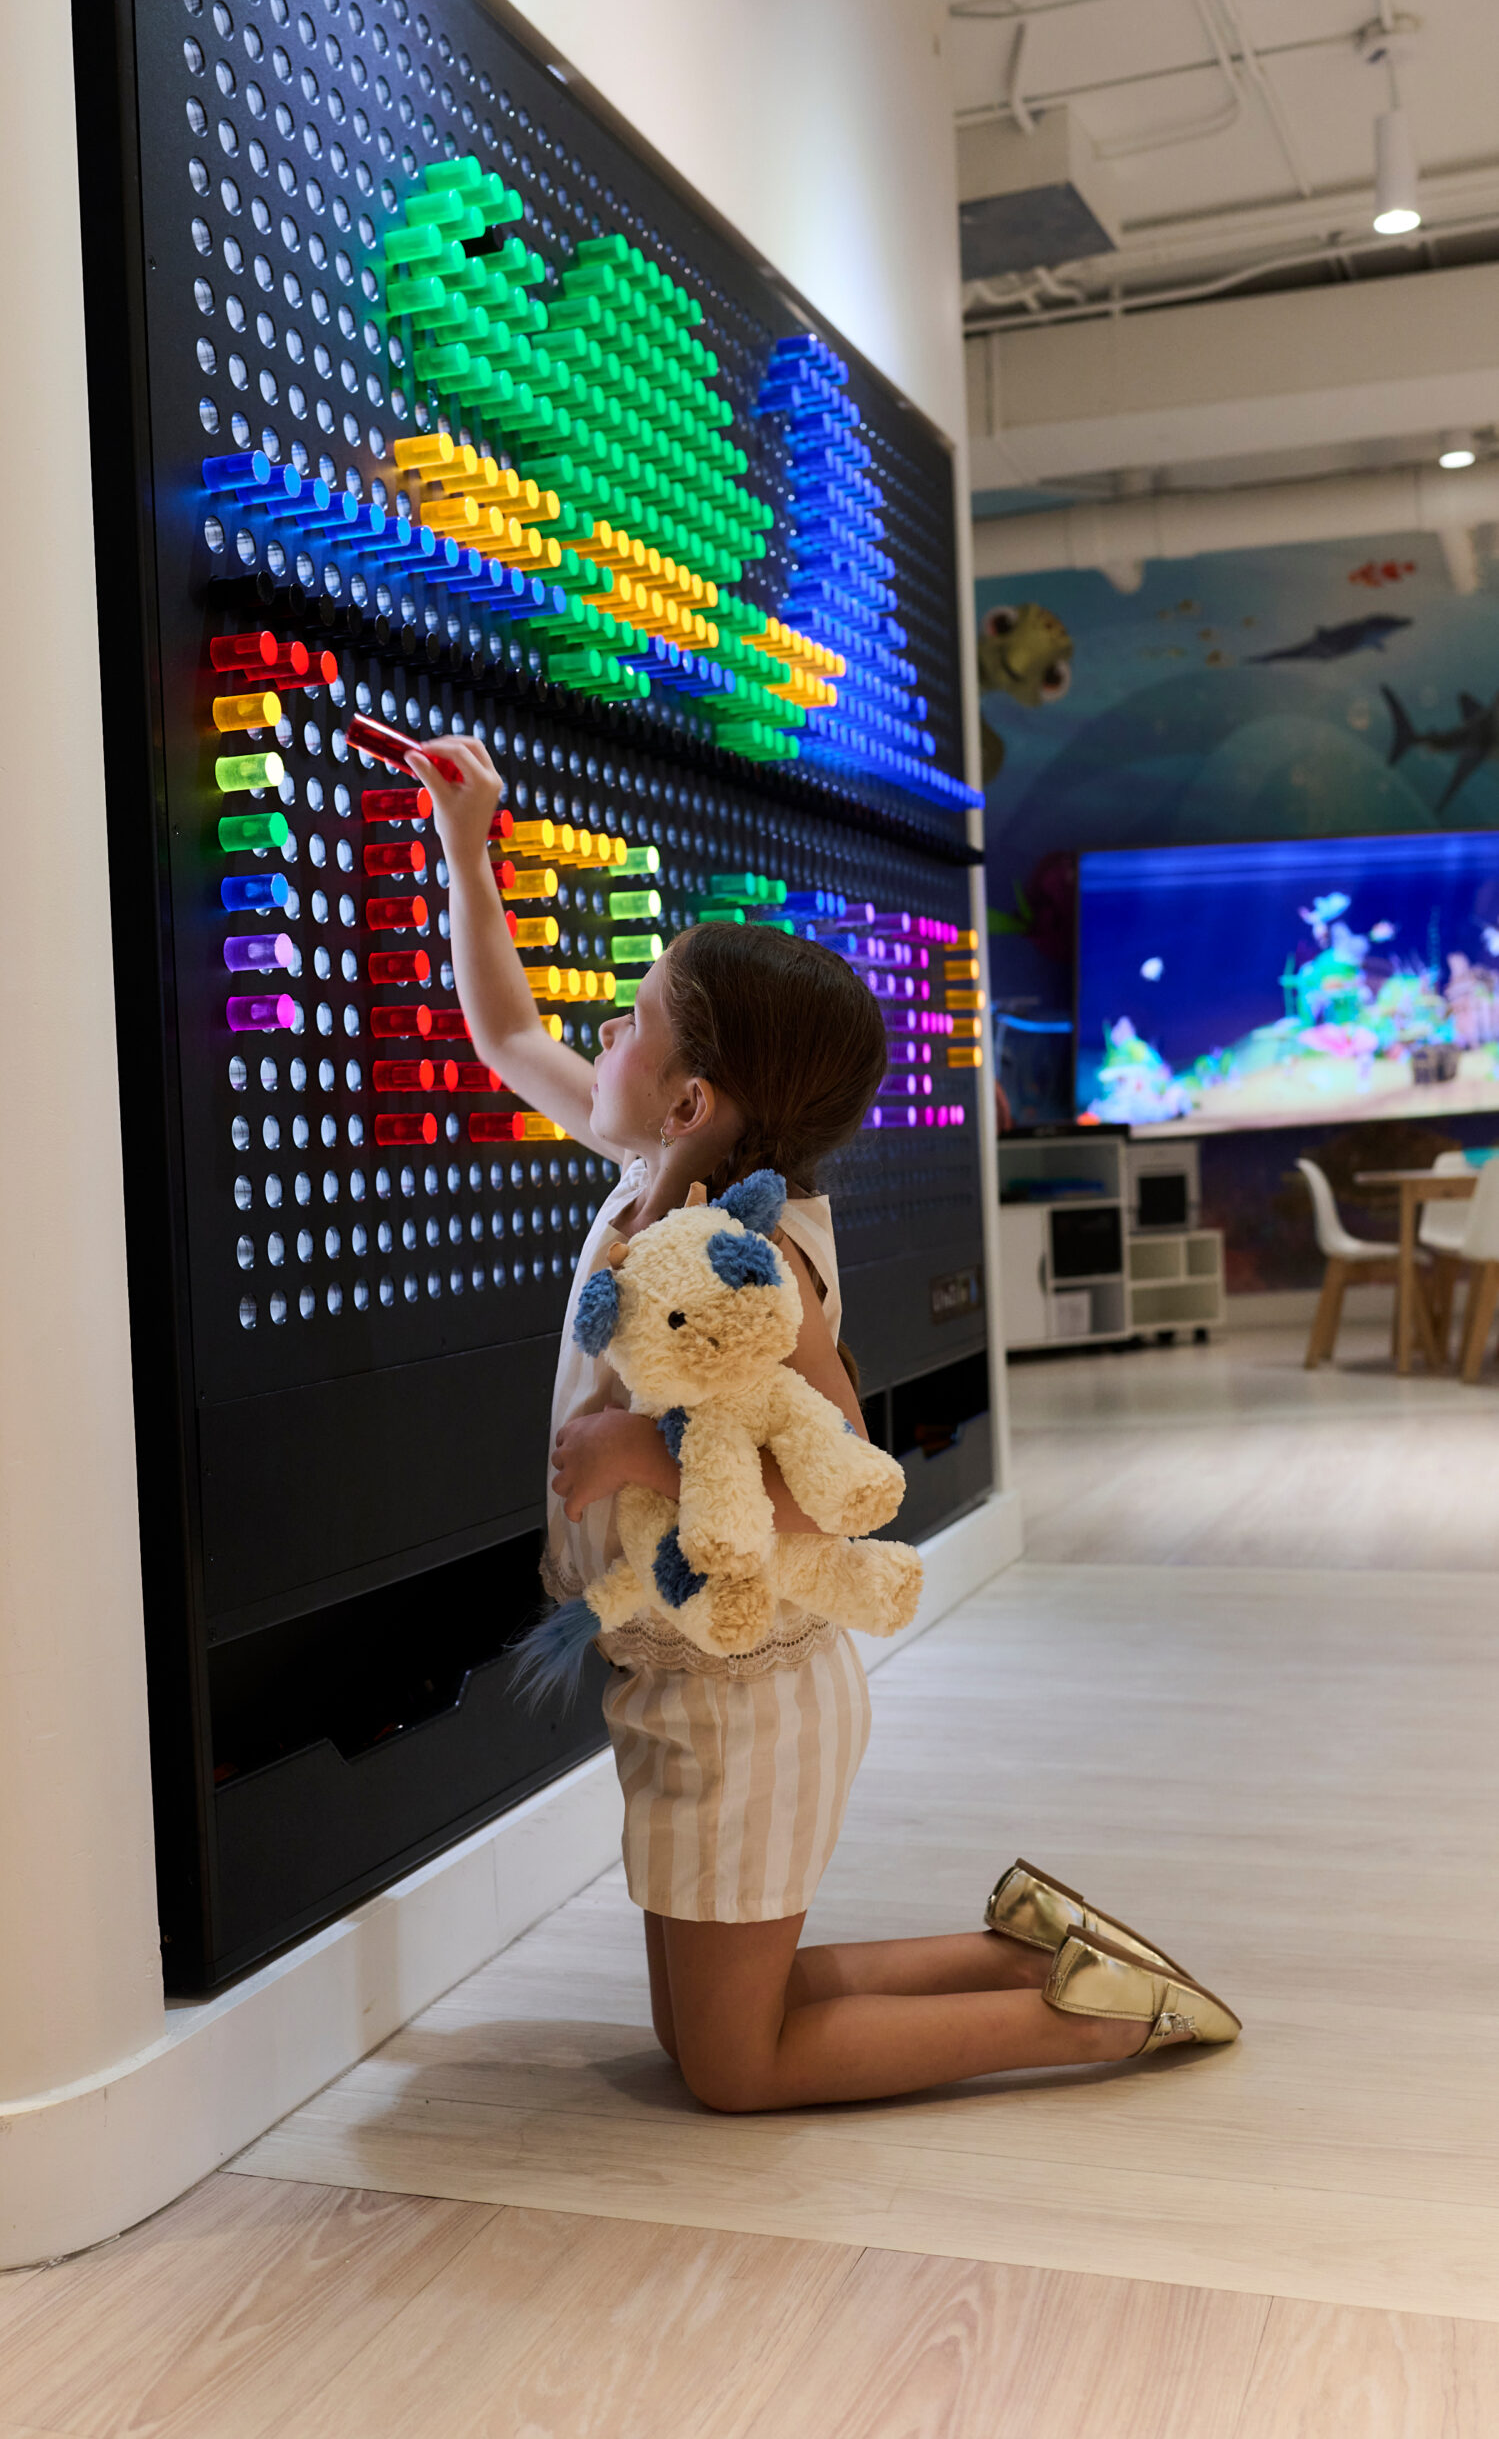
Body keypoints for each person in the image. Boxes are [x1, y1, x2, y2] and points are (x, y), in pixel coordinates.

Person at [408, 727, 1239, 2112]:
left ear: (690, 1098)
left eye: (631, 1017)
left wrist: (635, 1451)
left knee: (737, 2071)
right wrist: (467, 844)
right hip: (676, 1674)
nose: (599, 1032)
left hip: (753, 1700)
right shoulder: (652, 1173)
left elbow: (846, 1478)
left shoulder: (762, 1258)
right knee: (707, 2038)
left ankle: (1096, 2024)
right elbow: (504, 1035)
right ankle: (1027, 1952)